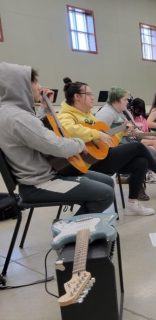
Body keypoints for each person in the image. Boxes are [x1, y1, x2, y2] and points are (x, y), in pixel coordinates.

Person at [57, 78, 156, 216]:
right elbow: (68, 130)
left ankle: (132, 204)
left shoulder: (88, 115)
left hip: (101, 155)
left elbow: (106, 139)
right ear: (77, 97)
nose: (93, 97)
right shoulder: (66, 115)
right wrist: (97, 134)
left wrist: (121, 132)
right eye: (89, 94)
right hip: (88, 162)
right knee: (138, 147)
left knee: (141, 162)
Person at [0, 62, 114, 214]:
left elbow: (33, 130)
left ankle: (84, 229)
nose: (39, 86)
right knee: (105, 194)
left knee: (107, 181)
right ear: (19, 85)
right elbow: (58, 147)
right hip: (41, 184)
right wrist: (79, 144)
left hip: (43, 175)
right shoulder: (19, 118)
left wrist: (44, 108)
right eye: (34, 81)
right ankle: (71, 234)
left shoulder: (9, 112)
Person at [95, 88, 156, 199]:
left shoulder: (125, 112)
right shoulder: (105, 113)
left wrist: (152, 135)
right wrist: (121, 130)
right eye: (125, 99)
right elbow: (99, 135)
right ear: (116, 100)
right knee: (146, 154)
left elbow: (134, 131)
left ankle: (136, 182)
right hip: (114, 147)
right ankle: (142, 182)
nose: (128, 102)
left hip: (127, 141)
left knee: (151, 153)